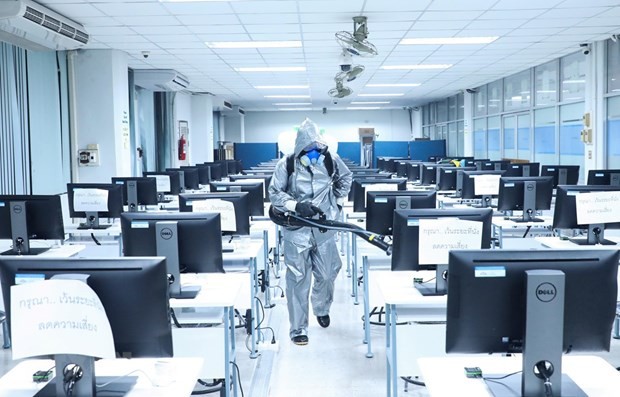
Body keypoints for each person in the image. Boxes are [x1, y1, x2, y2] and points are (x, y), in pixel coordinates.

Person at [269, 119, 352, 346]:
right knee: (297, 279)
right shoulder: (286, 165)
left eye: (317, 148)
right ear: (299, 148)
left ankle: (321, 307)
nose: (314, 153)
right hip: (296, 229)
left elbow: (346, 177)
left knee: (328, 273)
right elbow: (274, 193)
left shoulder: (330, 159)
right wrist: (296, 206)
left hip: (324, 228)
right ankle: (298, 329)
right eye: (309, 149)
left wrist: (337, 199)